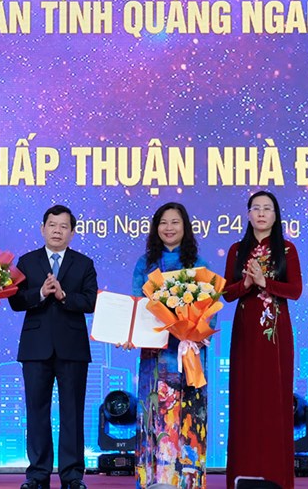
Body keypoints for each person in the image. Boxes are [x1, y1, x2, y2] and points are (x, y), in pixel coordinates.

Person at [8, 204, 98, 489]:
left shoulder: (84, 264)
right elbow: (15, 300)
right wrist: (40, 292)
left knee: (73, 412)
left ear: (72, 233)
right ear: (42, 228)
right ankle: (37, 474)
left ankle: (72, 475)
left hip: (72, 348)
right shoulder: (27, 261)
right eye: (52, 225)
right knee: (37, 412)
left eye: (63, 227)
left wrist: (63, 296)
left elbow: (91, 301)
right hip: (35, 348)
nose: (57, 231)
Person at [223, 191, 302, 489]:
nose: (261, 213)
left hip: (276, 336)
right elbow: (227, 293)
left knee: (274, 400)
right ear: (248, 214)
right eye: (255, 208)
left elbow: (295, 290)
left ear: (275, 215)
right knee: (244, 400)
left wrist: (264, 282)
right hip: (245, 334)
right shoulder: (237, 250)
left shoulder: (287, 249)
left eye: (267, 208)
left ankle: (276, 476)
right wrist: (246, 283)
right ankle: (243, 474)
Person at [130, 202, 209, 489]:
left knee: (188, 418)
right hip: (155, 355)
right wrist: (130, 333)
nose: (169, 228)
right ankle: (153, 482)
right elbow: (138, 306)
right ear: (156, 228)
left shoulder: (198, 263)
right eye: (163, 222)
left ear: (185, 227)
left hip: (188, 353)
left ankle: (188, 482)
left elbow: (209, 307)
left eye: (175, 222)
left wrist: (194, 330)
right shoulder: (145, 264)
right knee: (156, 417)